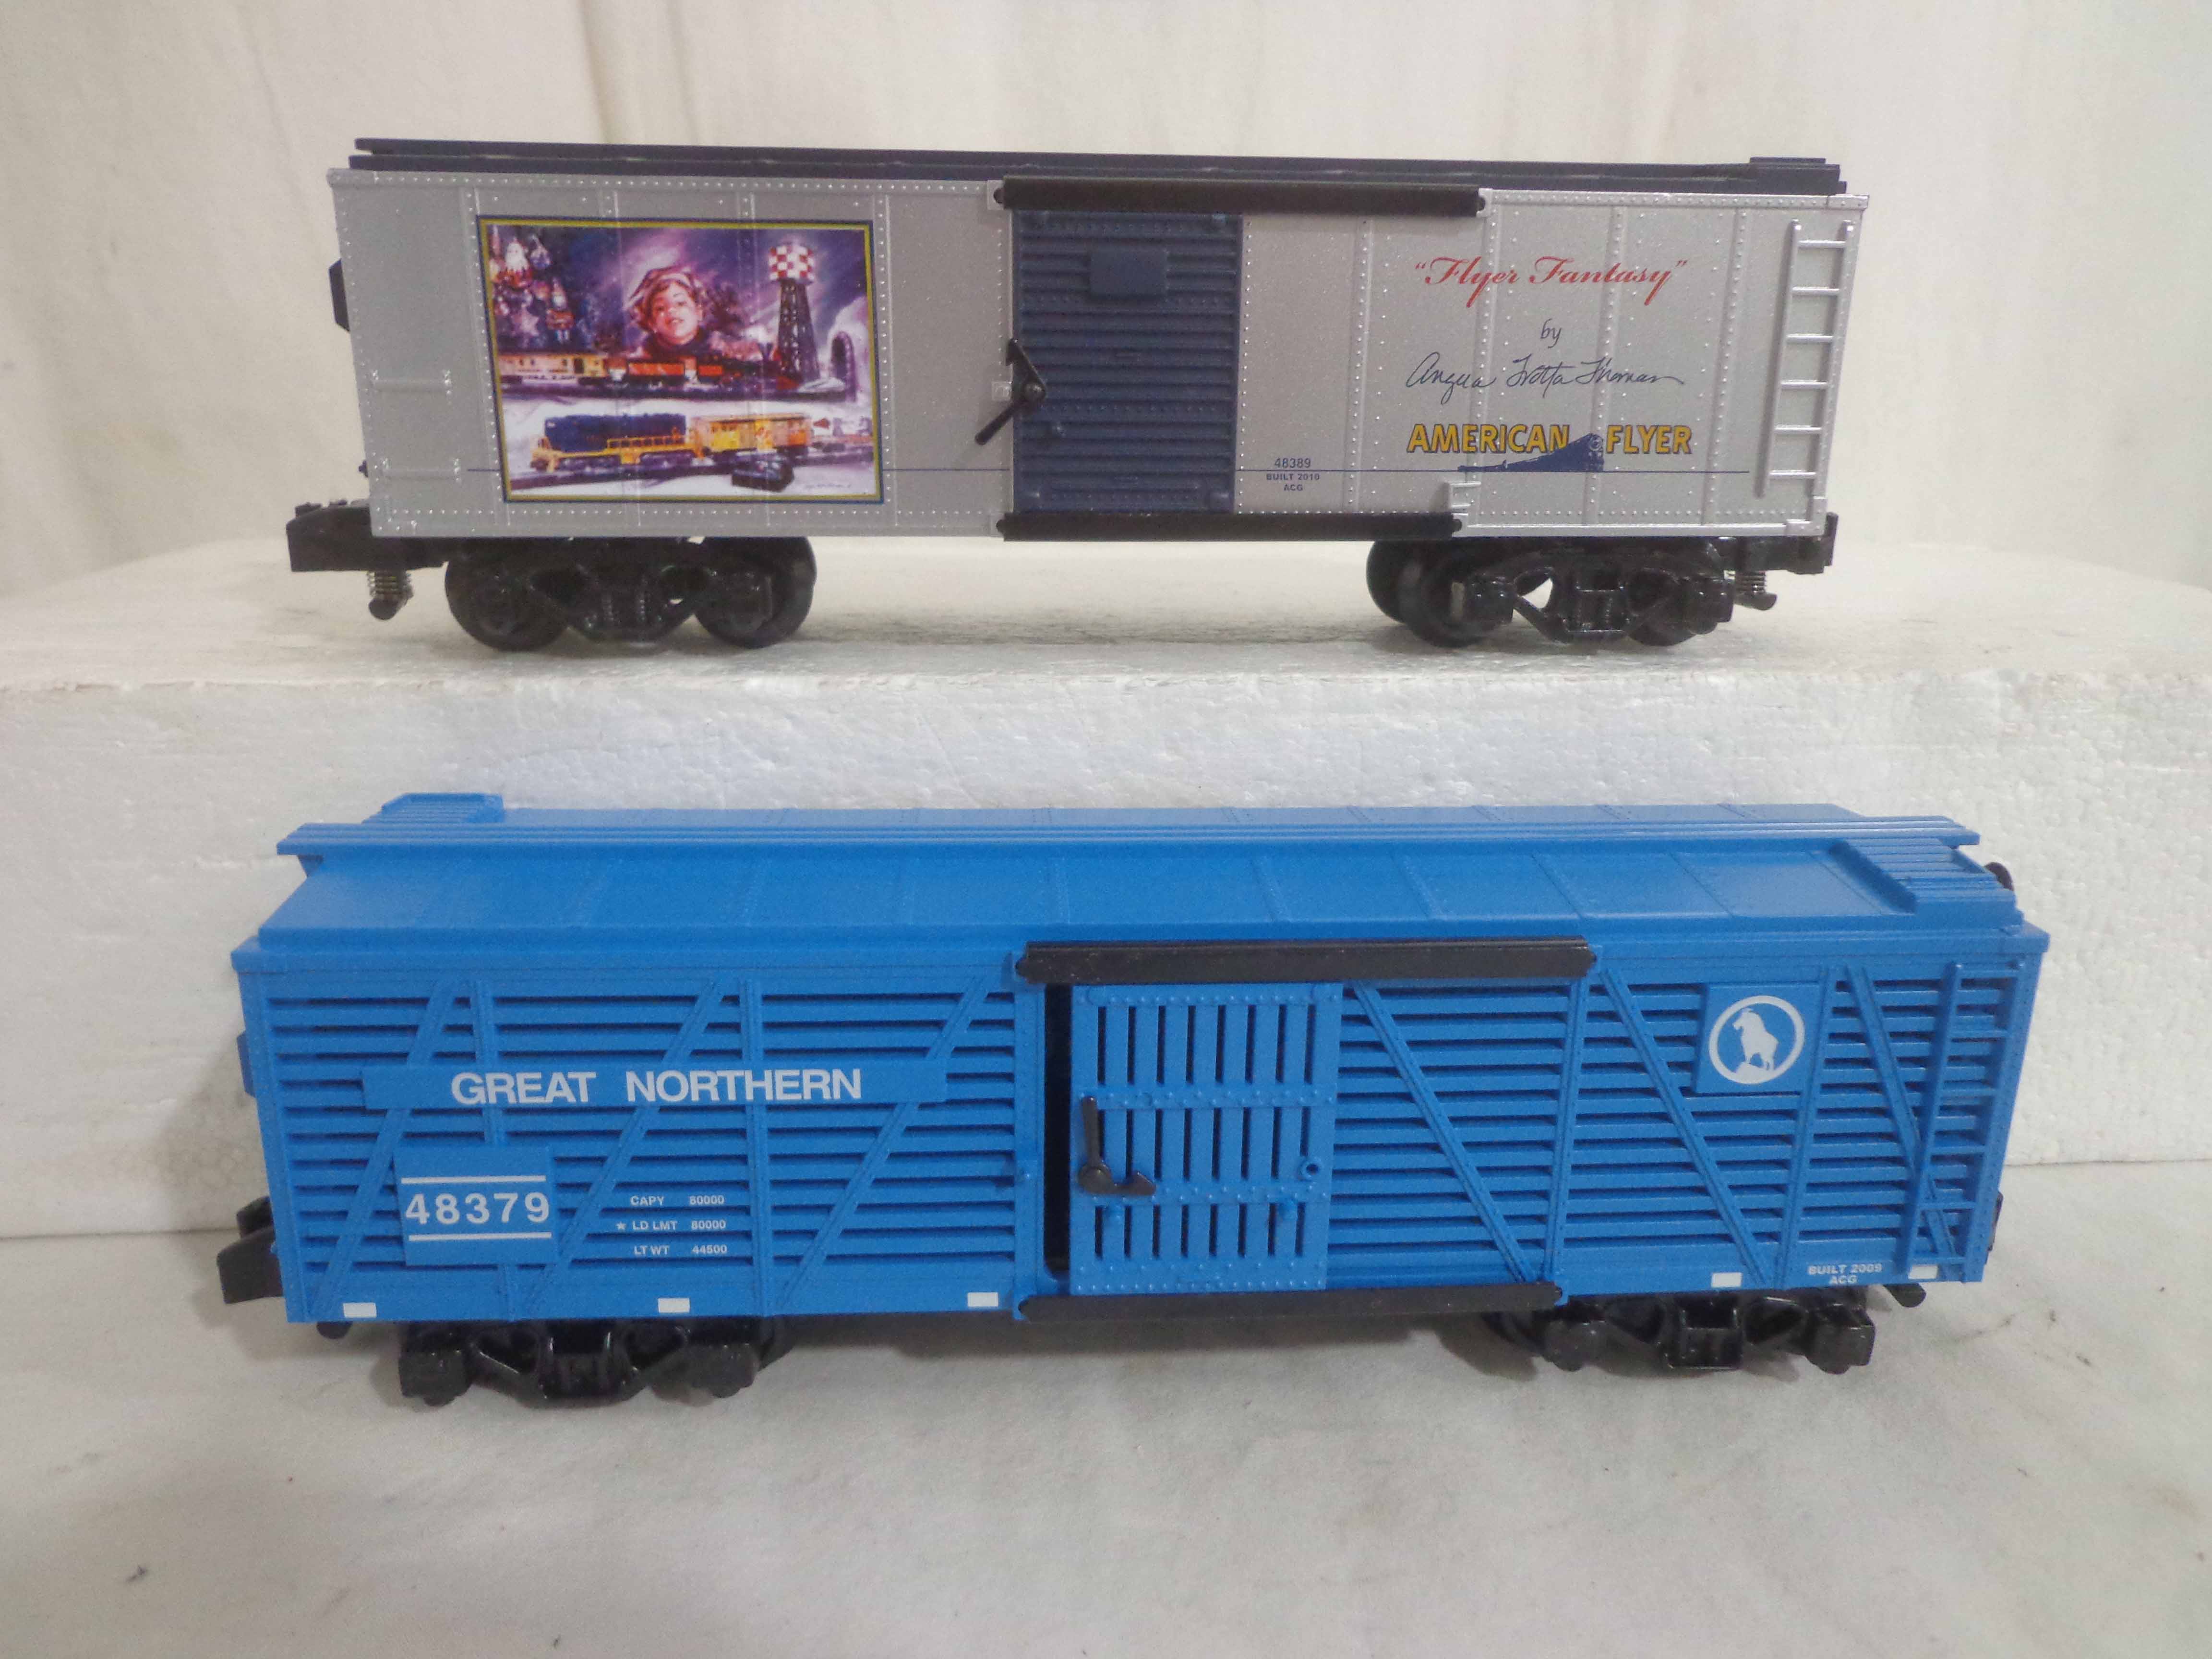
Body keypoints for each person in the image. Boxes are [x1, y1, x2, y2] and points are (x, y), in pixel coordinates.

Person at [626, 266, 740, 363]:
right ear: (651, 323)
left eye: (680, 303)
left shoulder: (724, 350)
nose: (671, 310)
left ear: (699, 312)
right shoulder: (640, 360)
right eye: (660, 308)